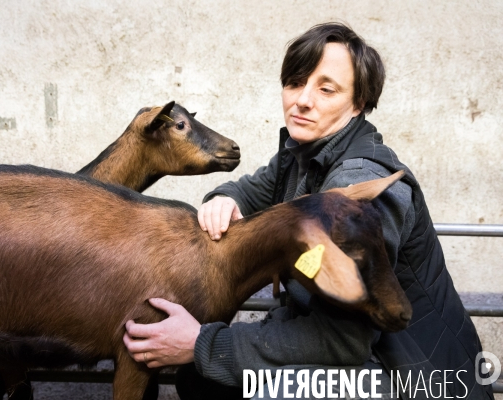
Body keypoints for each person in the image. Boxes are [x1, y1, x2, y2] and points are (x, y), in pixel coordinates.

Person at [124, 23, 494, 400]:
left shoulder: (361, 188)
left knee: (235, 381)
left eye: (326, 89)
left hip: (414, 377)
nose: (302, 100)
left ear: (358, 103)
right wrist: (224, 199)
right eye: (295, 82)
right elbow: (249, 189)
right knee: (203, 379)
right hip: (363, 357)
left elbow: (343, 341)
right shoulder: (302, 155)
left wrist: (204, 342)